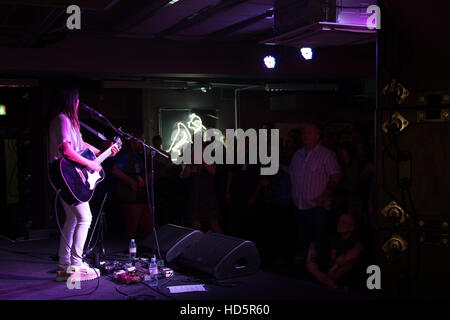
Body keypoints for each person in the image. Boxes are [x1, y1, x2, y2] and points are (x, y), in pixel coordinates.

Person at [47, 88, 118, 282]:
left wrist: (103, 150)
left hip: (64, 175)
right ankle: (76, 267)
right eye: (77, 100)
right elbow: (66, 150)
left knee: (72, 220)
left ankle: (63, 267)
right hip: (63, 173)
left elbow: (81, 145)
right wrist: (90, 163)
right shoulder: (62, 119)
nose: (79, 104)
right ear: (72, 101)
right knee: (85, 218)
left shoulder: (71, 122)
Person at [289, 123, 342, 265]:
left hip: (317, 206)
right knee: (303, 238)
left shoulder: (327, 154)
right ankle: (306, 272)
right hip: (299, 205)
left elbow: (335, 177)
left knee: (318, 241)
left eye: (310, 132)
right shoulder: (298, 154)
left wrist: (324, 197)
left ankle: (321, 271)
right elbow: (293, 173)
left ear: (318, 135)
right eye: (304, 132)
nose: (306, 135)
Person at [111, 134, 153, 240]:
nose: (142, 145)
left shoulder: (141, 156)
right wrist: (130, 181)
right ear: (133, 143)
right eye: (140, 142)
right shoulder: (126, 155)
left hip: (141, 194)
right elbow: (115, 170)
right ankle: (130, 248)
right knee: (131, 226)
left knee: (147, 222)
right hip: (130, 195)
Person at [306, 213, 363, 289]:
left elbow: (355, 252)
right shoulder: (336, 239)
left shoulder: (356, 239)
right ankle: (333, 286)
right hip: (333, 269)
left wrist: (338, 264)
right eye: (339, 221)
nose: (339, 224)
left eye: (343, 222)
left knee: (352, 261)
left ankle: (323, 282)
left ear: (351, 227)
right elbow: (333, 258)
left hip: (346, 270)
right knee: (311, 265)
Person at [183, 142, 223, 233]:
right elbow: (185, 176)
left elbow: (213, 172)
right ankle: (198, 245)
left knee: (213, 223)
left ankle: (223, 244)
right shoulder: (192, 161)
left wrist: (203, 159)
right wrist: (189, 162)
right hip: (195, 195)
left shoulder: (209, 159)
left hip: (207, 195)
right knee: (195, 224)